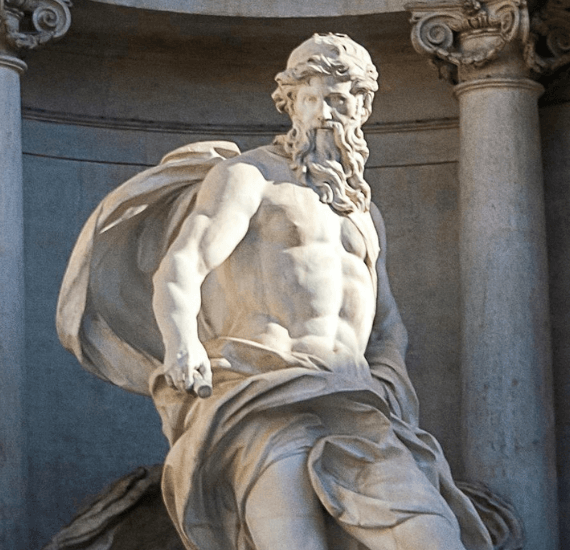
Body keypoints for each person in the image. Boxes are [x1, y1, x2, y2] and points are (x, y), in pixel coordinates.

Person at [58, 33, 494, 550]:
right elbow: (183, 264)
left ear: (363, 107)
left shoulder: (364, 212)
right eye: (312, 98)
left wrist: (391, 390)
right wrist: (182, 344)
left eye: (339, 100)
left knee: (436, 538)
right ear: (290, 102)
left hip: (356, 403)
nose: (325, 113)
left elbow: (385, 323)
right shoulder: (249, 176)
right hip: (263, 392)